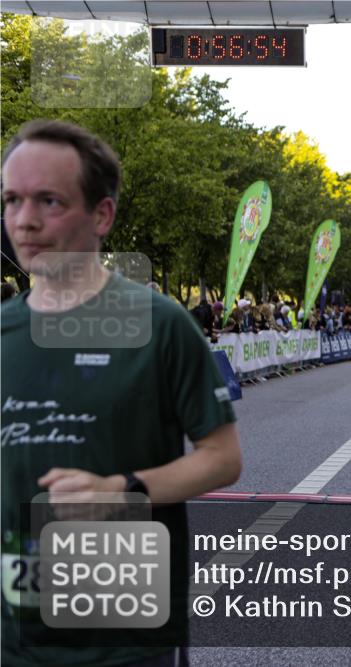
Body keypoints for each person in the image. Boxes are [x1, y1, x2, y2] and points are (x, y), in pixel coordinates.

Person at [1, 119, 241, 665]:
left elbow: (223, 459)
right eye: (12, 200)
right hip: (12, 630)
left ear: (101, 215)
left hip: (121, 632)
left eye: (49, 201)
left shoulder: (159, 322)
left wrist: (121, 490)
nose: (25, 221)